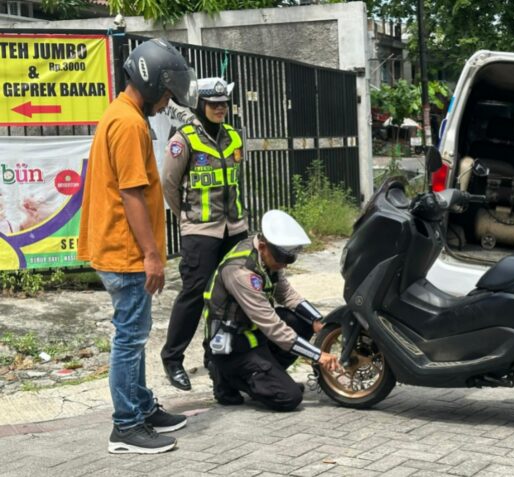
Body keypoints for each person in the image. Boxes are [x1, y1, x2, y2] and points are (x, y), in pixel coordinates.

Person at [77, 38, 198, 455]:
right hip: (126, 252)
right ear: (150, 84)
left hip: (120, 248)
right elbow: (131, 194)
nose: (167, 104)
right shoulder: (129, 124)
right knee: (129, 339)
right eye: (166, 95)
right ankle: (126, 426)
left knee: (135, 334)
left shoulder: (120, 113)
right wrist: (151, 255)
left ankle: (142, 407)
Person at [203, 210, 341, 411]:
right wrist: (317, 355)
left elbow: (286, 294)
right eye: (282, 259)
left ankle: (267, 376)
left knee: (301, 322)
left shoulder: (266, 256)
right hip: (233, 348)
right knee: (289, 398)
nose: (285, 265)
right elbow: (272, 326)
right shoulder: (241, 272)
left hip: (254, 336)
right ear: (263, 246)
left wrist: (318, 321)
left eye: (290, 259)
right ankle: (225, 376)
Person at [160, 77, 248, 391]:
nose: (220, 109)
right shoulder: (183, 140)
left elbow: (237, 179)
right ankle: (172, 358)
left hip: (235, 228)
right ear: (200, 105)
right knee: (194, 294)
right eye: (213, 104)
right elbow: (169, 185)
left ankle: (216, 356)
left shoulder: (234, 137)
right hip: (200, 231)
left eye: (224, 104)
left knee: (232, 296)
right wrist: (187, 218)